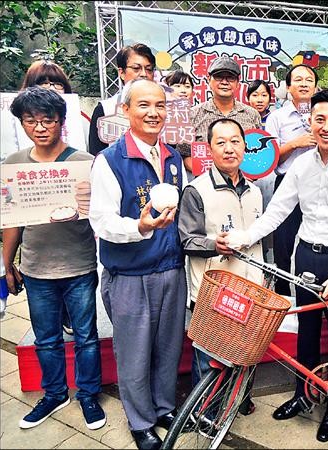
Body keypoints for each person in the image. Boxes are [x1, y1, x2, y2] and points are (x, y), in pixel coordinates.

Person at [224, 89, 328, 442]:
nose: (326, 127)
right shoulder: (302, 165)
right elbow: (277, 211)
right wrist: (245, 237)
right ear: (310, 121)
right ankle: (303, 395)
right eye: (319, 119)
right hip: (305, 256)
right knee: (306, 331)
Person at [89, 79, 187, 450]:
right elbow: (102, 222)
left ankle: (163, 408)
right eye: (144, 105)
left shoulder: (173, 158)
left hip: (170, 270)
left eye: (160, 105)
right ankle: (140, 421)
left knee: (167, 347)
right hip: (129, 275)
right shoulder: (110, 160)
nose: (153, 113)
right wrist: (141, 226)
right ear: (126, 110)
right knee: (133, 353)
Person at [3, 87, 105, 430]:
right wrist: (7, 264)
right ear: (22, 123)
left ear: (61, 122)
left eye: (48, 119)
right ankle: (55, 393)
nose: (40, 127)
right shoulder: (14, 164)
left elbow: (100, 218)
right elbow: (12, 220)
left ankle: (88, 394)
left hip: (79, 264)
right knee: (46, 338)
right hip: (35, 266)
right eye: (31, 120)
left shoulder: (84, 163)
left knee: (86, 336)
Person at [178, 117, 263, 414]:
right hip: (214, 290)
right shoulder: (196, 190)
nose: (229, 149)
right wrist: (215, 244)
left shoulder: (255, 190)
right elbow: (187, 240)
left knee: (244, 348)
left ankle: (240, 399)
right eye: (221, 142)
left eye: (235, 141)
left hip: (250, 288)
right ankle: (207, 412)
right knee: (208, 355)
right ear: (209, 149)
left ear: (245, 146)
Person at [20, 59, 78, 335]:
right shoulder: (16, 156)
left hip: (76, 252)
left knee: (85, 334)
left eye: (57, 84)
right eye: (44, 83)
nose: (52, 89)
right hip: (37, 251)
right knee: (46, 336)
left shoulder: (78, 150)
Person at [264, 63, 318, 295]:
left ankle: (312, 291)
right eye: (298, 80)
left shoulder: (321, 114)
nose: (304, 83)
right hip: (286, 183)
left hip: (317, 184)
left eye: (309, 80)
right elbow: (270, 158)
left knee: (315, 241)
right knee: (284, 243)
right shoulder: (277, 117)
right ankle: (283, 294)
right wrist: (296, 143)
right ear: (288, 87)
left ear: (315, 87)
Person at [88, 43, 156, 156]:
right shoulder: (105, 110)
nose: (144, 74)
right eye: (136, 68)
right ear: (121, 73)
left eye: (149, 69)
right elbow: (96, 156)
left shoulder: (165, 110)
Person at [190, 55, 261, 143]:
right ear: (208, 80)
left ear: (237, 83)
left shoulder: (252, 115)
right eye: (219, 77)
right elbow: (186, 153)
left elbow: (258, 151)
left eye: (230, 78)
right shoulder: (193, 115)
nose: (224, 82)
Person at [162, 70, 195, 178]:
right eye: (177, 86)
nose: (183, 90)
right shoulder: (160, 113)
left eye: (187, 86)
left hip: (190, 171)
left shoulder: (195, 113)